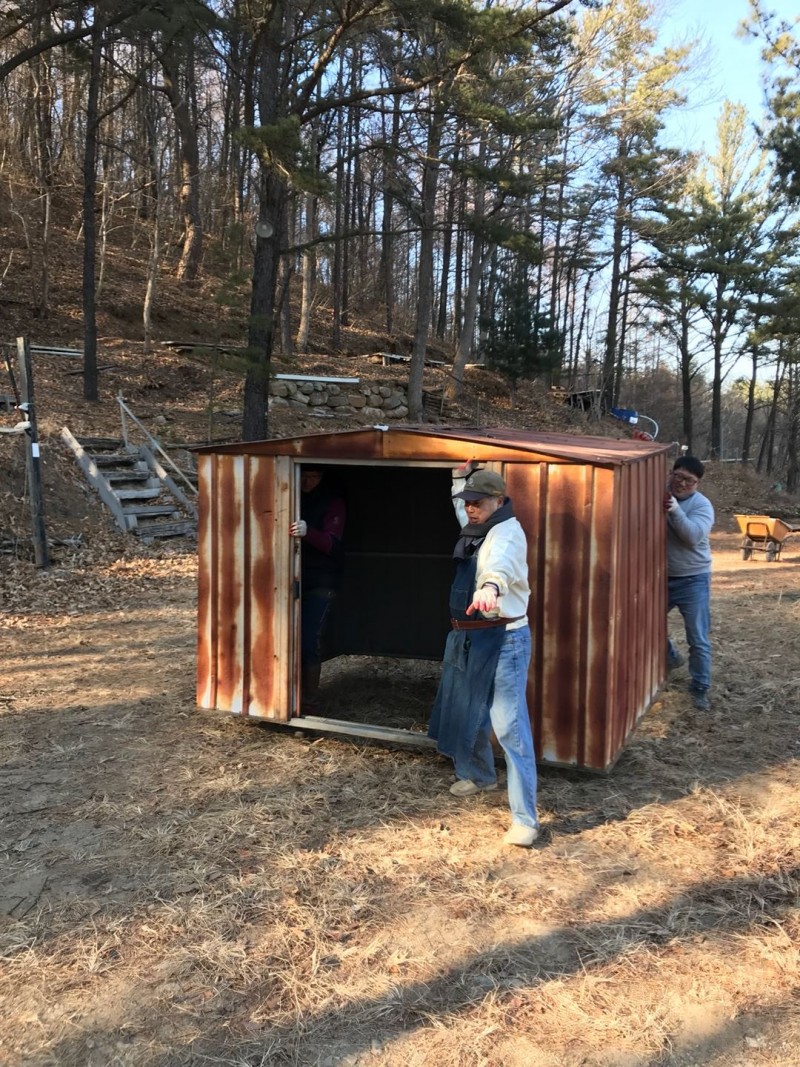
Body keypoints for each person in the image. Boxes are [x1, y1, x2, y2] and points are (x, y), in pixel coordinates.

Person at [429, 463, 540, 848]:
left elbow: (499, 568)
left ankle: (525, 819)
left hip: (505, 639)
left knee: (509, 726)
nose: (470, 508)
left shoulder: (507, 534)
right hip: (471, 636)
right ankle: (480, 776)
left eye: (477, 502)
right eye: (468, 502)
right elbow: (462, 513)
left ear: (499, 500)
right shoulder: (477, 527)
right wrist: (458, 479)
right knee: (467, 707)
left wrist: (490, 587)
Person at [290, 467, 346, 713]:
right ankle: (287, 697)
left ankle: (309, 702)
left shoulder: (332, 503)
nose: (307, 481)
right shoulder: (291, 497)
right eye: (304, 475)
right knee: (285, 639)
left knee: (307, 641)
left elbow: (333, 544)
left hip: (321, 582)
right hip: (291, 580)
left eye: (314, 476)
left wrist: (308, 532)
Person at [664, 455, 714, 711]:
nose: (682, 484)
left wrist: (674, 510)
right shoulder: (659, 493)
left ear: (697, 484)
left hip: (694, 579)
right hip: (661, 578)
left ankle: (700, 688)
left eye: (689, 481)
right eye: (678, 476)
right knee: (645, 624)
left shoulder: (702, 505)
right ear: (671, 473)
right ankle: (671, 657)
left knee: (697, 638)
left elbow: (692, 536)